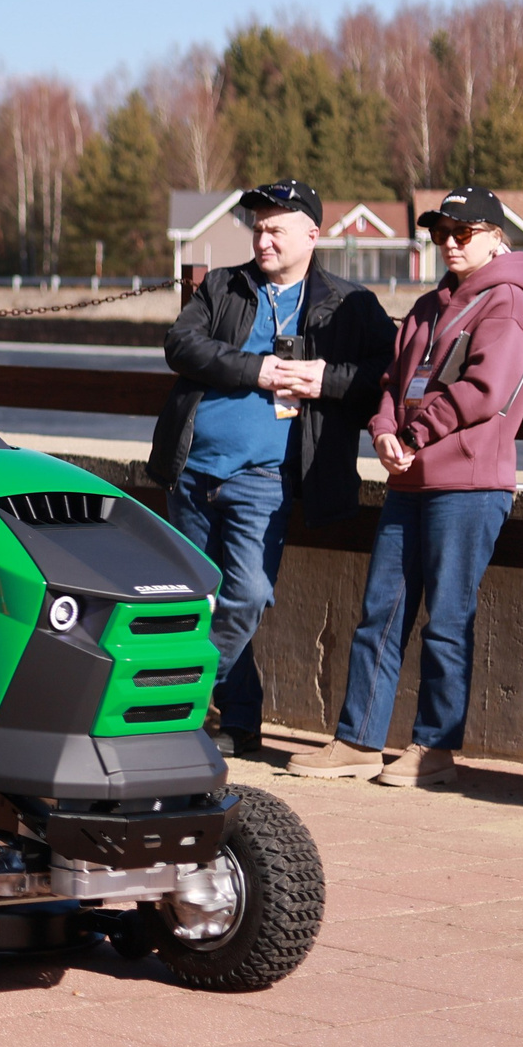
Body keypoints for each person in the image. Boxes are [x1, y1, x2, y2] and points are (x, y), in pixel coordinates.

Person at [293, 186, 523, 788]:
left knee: (447, 618)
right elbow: (391, 381)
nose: (450, 244)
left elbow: (485, 390)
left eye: (464, 232)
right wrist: (382, 431)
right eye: (440, 234)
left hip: (469, 485)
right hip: (411, 479)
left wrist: (415, 433)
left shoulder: (506, 303)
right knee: (381, 611)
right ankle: (357, 741)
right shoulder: (430, 306)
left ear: (495, 237)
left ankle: (435, 750)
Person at [149, 179, 395, 757]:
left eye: (275, 228)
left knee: (249, 594)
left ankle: (177, 698)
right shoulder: (223, 286)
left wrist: (323, 378)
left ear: (312, 234)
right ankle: (238, 723)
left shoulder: (346, 302)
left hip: (264, 479)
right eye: (258, 227)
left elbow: (386, 371)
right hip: (192, 470)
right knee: (198, 599)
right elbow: (180, 346)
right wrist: (254, 370)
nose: (263, 238)